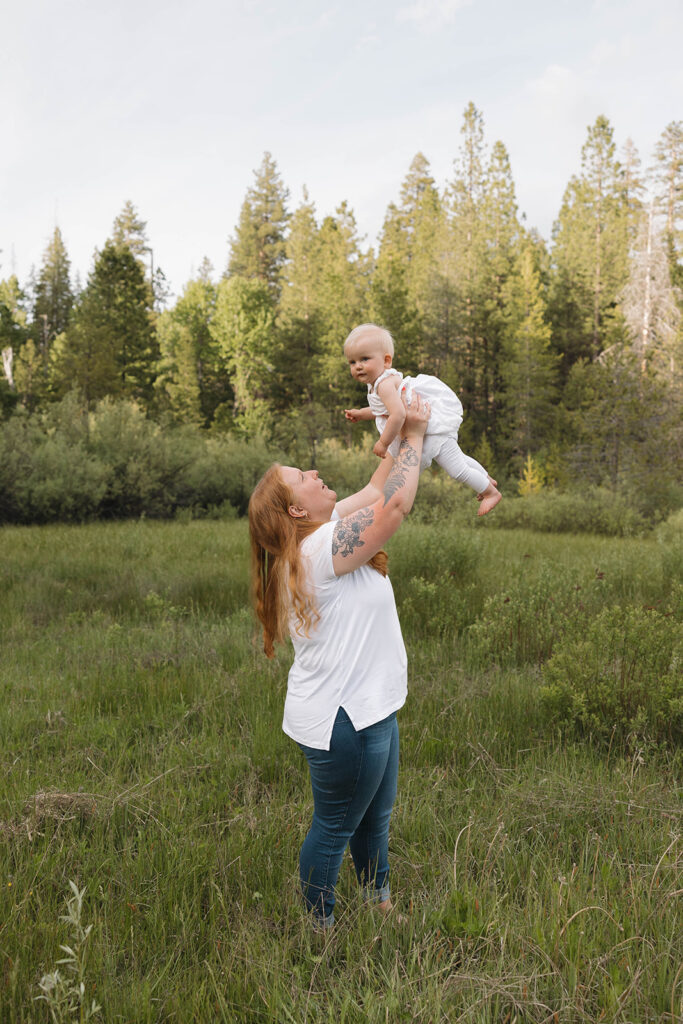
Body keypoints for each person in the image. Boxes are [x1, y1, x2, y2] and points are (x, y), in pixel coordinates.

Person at [248, 392, 431, 932]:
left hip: (371, 704)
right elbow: (395, 506)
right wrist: (415, 436)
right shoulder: (316, 550)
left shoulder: (318, 539)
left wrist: (394, 424)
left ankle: (379, 902)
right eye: (298, 476)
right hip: (343, 719)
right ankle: (319, 931)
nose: (312, 470)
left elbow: (379, 489)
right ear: (296, 510)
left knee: (375, 817)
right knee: (333, 828)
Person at [343, 323, 501, 516]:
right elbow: (382, 409)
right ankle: (486, 479)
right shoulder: (378, 384)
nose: (358, 366)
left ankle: (490, 492)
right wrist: (361, 413)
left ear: (386, 361)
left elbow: (398, 414)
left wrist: (383, 442)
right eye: (352, 362)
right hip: (432, 423)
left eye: (364, 359)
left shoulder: (383, 385)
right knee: (459, 458)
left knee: (456, 469)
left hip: (431, 428)